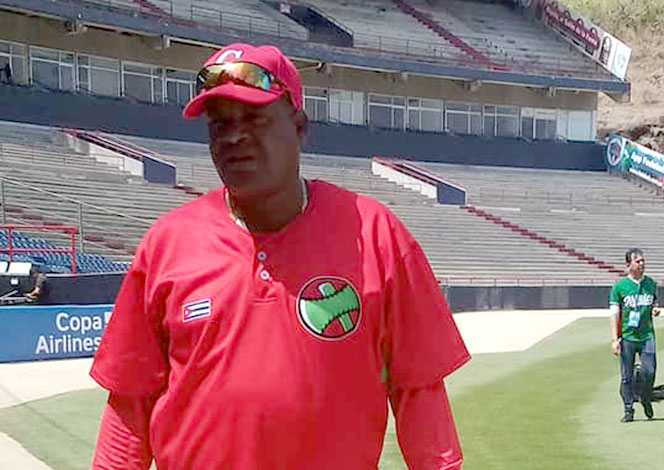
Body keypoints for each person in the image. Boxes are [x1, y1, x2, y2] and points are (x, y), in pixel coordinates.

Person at [89, 43, 471, 470]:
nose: (233, 137)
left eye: (254, 118)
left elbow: (419, 392)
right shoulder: (167, 243)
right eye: (219, 124)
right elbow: (129, 404)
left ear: (300, 127)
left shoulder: (377, 235)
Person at [609, 248, 660, 422]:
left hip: (646, 335)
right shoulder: (620, 287)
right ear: (628, 265)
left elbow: (654, 302)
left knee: (650, 371)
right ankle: (628, 409)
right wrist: (615, 339)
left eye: (643, 261)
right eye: (637, 261)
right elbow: (614, 314)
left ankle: (645, 397)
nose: (642, 264)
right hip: (627, 336)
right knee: (626, 376)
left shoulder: (651, 284)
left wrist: (655, 309)